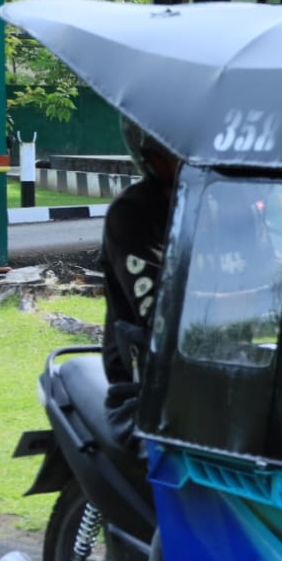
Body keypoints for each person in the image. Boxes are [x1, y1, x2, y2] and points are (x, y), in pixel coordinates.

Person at [100, 118, 180, 446]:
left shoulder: (227, 205)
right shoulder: (133, 213)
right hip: (146, 388)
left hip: (237, 374)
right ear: (154, 158)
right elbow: (160, 314)